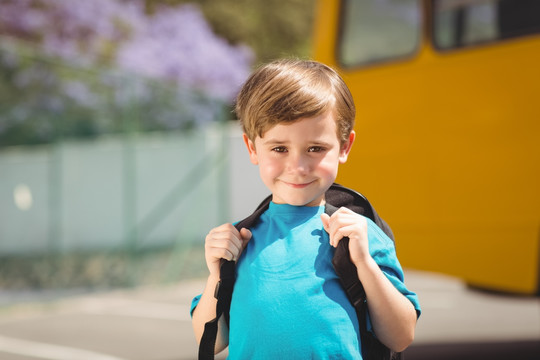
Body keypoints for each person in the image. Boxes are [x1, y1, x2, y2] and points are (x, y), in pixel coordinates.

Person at [191, 59, 421, 359]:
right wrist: (215, 275)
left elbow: (401, 337)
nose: (298, 167)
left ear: (344, 147)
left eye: (315, 148)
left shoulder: (357, 234)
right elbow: (210, 338)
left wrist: (364, 263)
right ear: (251, 148)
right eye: (279, 149)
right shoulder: (240, 241)